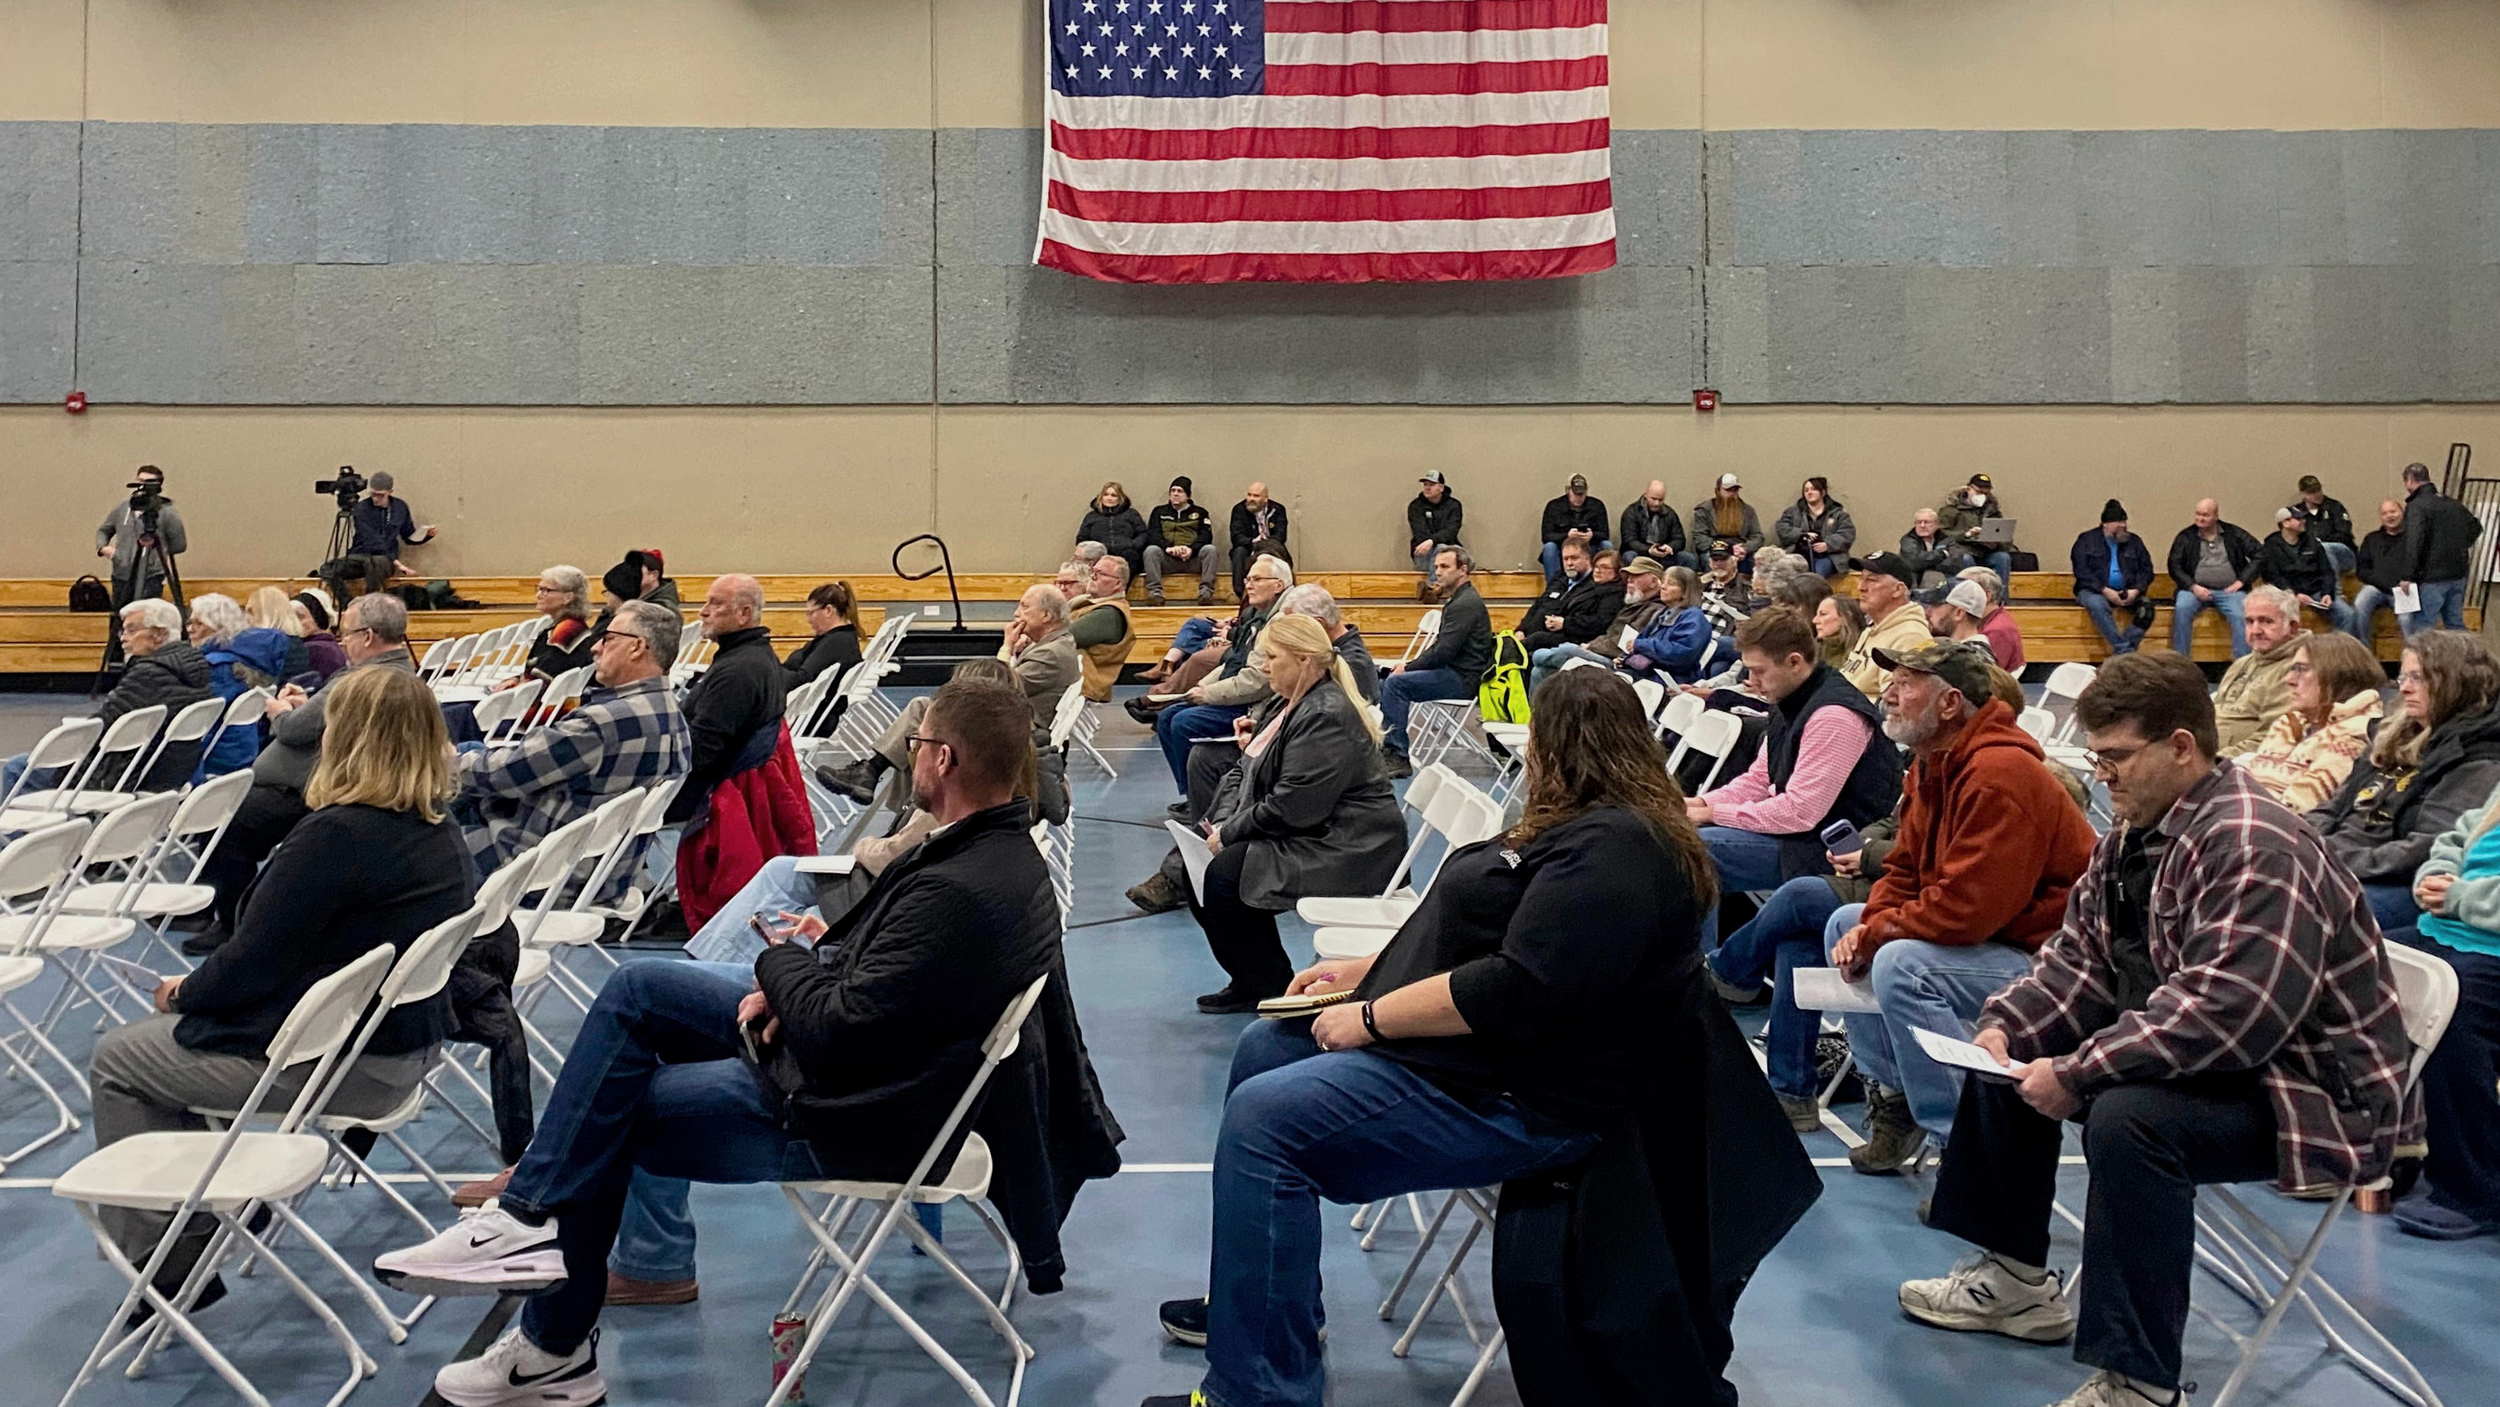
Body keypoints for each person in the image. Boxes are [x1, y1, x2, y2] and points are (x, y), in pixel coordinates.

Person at [382, 680, 1064, 1407]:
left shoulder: (959, 886)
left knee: (613, 1110)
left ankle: (553, 1343)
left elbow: (839, 1030)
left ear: (945, 758)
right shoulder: (993, 852)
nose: (911, 756)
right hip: (871, 1061)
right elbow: (881, 987)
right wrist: (811, 965)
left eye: (918, 743)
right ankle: (527, 1224)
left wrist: (781, 964)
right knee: (638, 989)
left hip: (854, 1110)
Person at [1141, 666, 1795, 1407]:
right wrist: (1369, 970)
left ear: (1557, 748)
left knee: (1268, 1121)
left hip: (1533, 1099)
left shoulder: (1617, 851)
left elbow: (1514, 985)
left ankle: (1256, 1392)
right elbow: (1485, 932)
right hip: (1495, 1060)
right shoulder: (1586, 826)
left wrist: (1372, 1014)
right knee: (1267, 1047)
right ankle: (1260, 1313)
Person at [1901, 649, 2415, 1407]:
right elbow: (2079, 961)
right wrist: (2006, 1026)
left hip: (2307, 1092)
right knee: (2010, 1059)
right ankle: (2014, 1279)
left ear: (2181, 746)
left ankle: (2139, 1382)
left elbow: (2229, 1014)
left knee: (2128, 1119)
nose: (2101, 777)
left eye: (2115, 758)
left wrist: (2078, 1071)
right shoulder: (2135, 832)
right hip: (2228, 1060)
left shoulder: (2255, 844)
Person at [92, 666, 471, 1302]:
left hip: (348, 1062)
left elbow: (248, 964)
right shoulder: (438, 825)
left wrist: (182, 993)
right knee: (166, 1047)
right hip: (405, 1046)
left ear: (342, 739)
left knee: (119, 1058)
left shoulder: (336, 835)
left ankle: (171, 1258)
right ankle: (203, 1212)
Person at [1819, 642, 2096, 1173]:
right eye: (1892, 681)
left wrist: (1877, 937)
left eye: (1905, 683)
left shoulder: (1999, 773)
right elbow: (1903, 871)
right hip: (1994, 936)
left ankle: (1966, 1148)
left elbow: (1967, 911)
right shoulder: (1933, 764)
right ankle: (1897, 1101)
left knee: (1901, 964)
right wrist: (1871, 926)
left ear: (1949, 704)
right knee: (1844, 920)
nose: (1890, 694)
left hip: (2049, 961)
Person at [1167, 615, 1406, 1011]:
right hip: (1322, 830)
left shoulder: (1325, 712)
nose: (1263, 666)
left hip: (1352, 846)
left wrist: (1229, 833)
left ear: (1305, 661)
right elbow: (1252, 767)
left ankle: (1266, 983)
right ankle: (1251, 977)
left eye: (1272, 657)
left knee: (1227, 875)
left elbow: (1294, 805)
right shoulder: (1291, 701)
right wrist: (1223, 822)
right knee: (1195, 872)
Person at [194, 594, 418, 938]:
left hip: (311, 790)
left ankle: (232, 924)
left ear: (368, 637)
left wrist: (280, 712)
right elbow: (325, 716)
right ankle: (219, 911)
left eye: (348, 633)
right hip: (325, 785)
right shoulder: (400, 672)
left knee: (222, 818)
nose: (343, 641)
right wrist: (310, 704)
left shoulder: (361, 679)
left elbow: (298, 730)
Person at [1688, 606, 1903, 951]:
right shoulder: (1789, 698)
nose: (1750, 680)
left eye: (1759, 671)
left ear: (1794, 662)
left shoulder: (1834, 715)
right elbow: (1759, 780)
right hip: (1804, 835)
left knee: (1694, 849)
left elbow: (1800, 812)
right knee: (1683, 833)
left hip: (1836, 851)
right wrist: (1699, 803)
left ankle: (1704, 975)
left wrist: (1710, 814)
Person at [455, 599, 691, 876]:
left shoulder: (602, 723)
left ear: (637, 647)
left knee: (414, 845)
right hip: (603, 870)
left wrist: (444, 762)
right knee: (470, 754)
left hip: (536, 872)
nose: (595, 646)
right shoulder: (673, 714)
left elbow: (502, 774)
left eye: (608, 639)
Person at [2312, 630, 2500, 935]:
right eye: (2403, 678)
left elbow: (2422, 847)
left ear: (2456, 683)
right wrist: (2302, 839)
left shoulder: (2478, 757)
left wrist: (2331, 858)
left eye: (2419, 679)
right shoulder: (2392, 735)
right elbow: (2334, 805)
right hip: (2339, 858)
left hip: (2391, 880)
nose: (2406, 689)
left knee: (2308, 912)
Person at [824, 584, 1078, 804]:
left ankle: (876, 778)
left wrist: (1008, 648)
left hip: (1014, 734)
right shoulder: (1050, 646)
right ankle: (879, 784)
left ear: (1046, 615)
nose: (1016, 613)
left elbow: (996, 687)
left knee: (923, 715)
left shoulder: (1052, 654)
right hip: (1011, 721)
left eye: (1024, 607)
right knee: (920, 733)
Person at [2384, 782, 2500, 1239]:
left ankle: (2474, 1189)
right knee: (2350, 968)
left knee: (2456, 1013)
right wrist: (2434, 875)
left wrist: (2460, 897)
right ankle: (2356, 1142)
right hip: (2449, 926)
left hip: (2489, 944)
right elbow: (2461, 833)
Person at [2, 599, 212, 800]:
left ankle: (19, 837)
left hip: (123, 775)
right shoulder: (194, 670)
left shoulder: (149, 674)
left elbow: (99, 730)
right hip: (170, 773)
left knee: (17, 767)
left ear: (158, 634)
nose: (123, 637)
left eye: (131, 630)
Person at [1152, 558, 1293, 795]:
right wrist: (1200, 685)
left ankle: (1203, 795)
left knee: (1182, 722)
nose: (1249, 585)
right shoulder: (1258, 616)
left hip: (1257, 705)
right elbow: (1233, 660)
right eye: (1248, 579)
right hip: (1242, 693)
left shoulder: (1278, 621)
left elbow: (1257, 682)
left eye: (1257, 579)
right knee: (1166, 717)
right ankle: (1190, 794)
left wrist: (1207, 695)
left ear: (1278, 585)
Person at [2236, 630, 2386, 814]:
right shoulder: (2290, 724)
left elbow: (2293, 811)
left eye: (2301, 669)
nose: (2289, 679)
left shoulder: (2356, 735)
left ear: (2335, 675)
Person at [1379, 546, 1491, 777]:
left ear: (1463, 570)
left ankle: (1398, 756)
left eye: (1444, 566)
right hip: (1451, 670)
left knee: (1395, 684)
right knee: (1383, 679)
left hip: (1462, 679)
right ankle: (1383, 748)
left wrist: (1408, 667)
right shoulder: (1458, 600)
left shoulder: (1465, 604)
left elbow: (1443, 652)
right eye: (1436, 566)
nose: (1437, 572)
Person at [187, 594, 289, 779]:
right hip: (246, 750)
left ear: (218, 628)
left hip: (217, 758)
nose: (190, 630)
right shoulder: (255, 660)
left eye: (198, 624)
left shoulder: (216, 667)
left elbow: (204, 724)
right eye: (190, 623)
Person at [1530, 554, 1672, 689]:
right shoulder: (1634, 605)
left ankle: (1535, 655)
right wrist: (1591, 645)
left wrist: (1591, 647)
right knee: (1540, 671)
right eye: (1629, 576)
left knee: (1565, 650)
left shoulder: (1654, 610)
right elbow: (1609, 634)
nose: (1629, 580)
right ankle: (1538, 715)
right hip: (1602, 652)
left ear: (1654, 582)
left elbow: (1622, 645)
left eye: (1636, 576)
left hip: (1617, 663)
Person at [2209, 586, 2307, 755]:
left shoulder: (2297, 670)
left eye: (2266, 621)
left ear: (2292, 627)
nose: (2256, 630)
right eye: (2249, 621)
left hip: (2235, 766)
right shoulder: (2242, 663)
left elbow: (2273, 738)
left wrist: (2213, 763)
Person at [2165, 497, 2261, 657]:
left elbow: (2260, 554)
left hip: (2230, 591)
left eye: (2205, 515)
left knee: (2240, 615)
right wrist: (2192, 586)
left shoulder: (2233, 534)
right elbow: (2174, 565)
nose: (2200, 519)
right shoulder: (2186, 537)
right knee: (2182, 608)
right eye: (2197, 514)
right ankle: (2180, 662)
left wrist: (2242, 581)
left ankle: (2242, 666)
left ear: (2216, 516)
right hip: (2193, 590)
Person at [324, 470, 438, 600]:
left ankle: (370, 600)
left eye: (380, 495)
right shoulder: (361, 508)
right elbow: (372, 540)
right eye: (372, 494)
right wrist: (398, 564)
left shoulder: (400, 507)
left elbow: (408, 536)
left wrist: (426, 535)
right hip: (360, 555)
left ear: (389, 493)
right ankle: (346, 602)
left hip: (384, 559)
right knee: (328, 569)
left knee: (375, 563)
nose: (375, 499)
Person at [2398, 461, 2484, 635]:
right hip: (2458, 573)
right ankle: (2465, 660)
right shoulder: (2453, 503)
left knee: (2424, 627)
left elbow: (2414, 541)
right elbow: (2476, 527)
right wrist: (2460, 545)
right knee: (2455, 624)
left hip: (2431, 577)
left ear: (2409, 481)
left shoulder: (2417, 506)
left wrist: (2407, 575)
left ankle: (2425, 662)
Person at [96, 464, 187, 623]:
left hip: (151, 576)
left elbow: (179, 544)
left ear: (158, 485)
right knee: (119, 618)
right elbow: (104, 530)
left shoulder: (166, 511)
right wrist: (104, 548)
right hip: (121, 574)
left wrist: (159, 553)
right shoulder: (123, 508)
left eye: (149, 482)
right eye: (140, 481)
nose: (143, 486)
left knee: (145, 619)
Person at [1840, 551, 1933, 699]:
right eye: (1862, 578)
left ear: (1898, 590)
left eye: (1871, 580)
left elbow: (1894, 704)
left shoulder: (1910, 636)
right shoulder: (1872, 629)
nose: (1861, 587)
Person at [2071, 500, 2156, 656]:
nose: (2123, 525)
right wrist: (2104, 590)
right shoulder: (2086, 540)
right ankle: (2125, 652)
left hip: (2128, 590)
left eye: (2124, 521)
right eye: (2118, 521)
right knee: (2098, 605)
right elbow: (2081, 571)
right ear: (2105, 524)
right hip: (2094, 591)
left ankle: (2122, 651)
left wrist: (2136, 590)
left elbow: (2147, 570)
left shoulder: (2135, 542)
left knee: (2147, 609)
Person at [2259, 503, 2357, 636]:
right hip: (2285, 595)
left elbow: (2327, 571)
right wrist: (2294, 594)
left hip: (2316, 592)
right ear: (2286, 523)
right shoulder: (2271, 546)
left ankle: (2342, 652)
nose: (2303, 521)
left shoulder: (2312, 542)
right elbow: (2272, 576)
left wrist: (2327, 593)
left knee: (2348, 615)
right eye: (2298, 519)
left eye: (2303, 518)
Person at [1513, 540, 1617, 653]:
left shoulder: (1597, 585)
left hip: (1566, 638)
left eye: (1574, 558)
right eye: (1565, 559)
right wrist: (1521, 629)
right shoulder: (1559, 580)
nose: (1569, 563)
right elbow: (1537, 606)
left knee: (1531, 643)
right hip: (1535, 635)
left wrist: (1564, 624)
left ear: (1588, 559)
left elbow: (1598, 622)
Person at [1067, 554, 1136, 702]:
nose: (1093, 576)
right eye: (1093, 571)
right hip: (1070, 680)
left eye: (1101, 573)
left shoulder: (1109, 613)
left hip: (1080, 685)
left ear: (1118, 584)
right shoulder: (1090, 604)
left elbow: (1064, 637)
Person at [1144, 476, 1218, 606]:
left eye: (1180, 491)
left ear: (1187, 495)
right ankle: (1155, 594)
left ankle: (1205, 593)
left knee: (1210, 550)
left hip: (1192, 559)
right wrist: (1168, 547)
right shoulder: (1159, 511)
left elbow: (1206, 536)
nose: (1175, 494)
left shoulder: (1200, 512)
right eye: (1173, 491)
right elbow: (1153, 534)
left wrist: (1191, 549)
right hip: (1167, 559)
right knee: (1151, 551)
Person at [519, 565, 596, 685]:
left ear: (567, 598)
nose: (538, 595)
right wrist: (515, 679)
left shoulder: (566, 631)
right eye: (539, 589)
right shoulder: (572, 625)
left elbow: (539, 680)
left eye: (546, 590)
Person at [2350, 498, 2410, 646]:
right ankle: (2364, 655)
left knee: (2407, 619)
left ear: (2402, 513)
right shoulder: (2372, 539)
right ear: (2381, 518)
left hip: (2404, 589)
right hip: (2376, 587)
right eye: (2385, 513)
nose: (2389, 516)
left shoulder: (2413, 539)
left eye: (2393, 511)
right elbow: (2362, 571)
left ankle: (2413, 659)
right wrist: (2382, 582)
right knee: (2359, 604)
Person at [1936, 473, 2013, 587]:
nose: (1982, 496)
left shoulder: (1993, 512)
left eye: (1986, 493)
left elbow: (2007, 540)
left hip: (1986, 553)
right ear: (1968, 489)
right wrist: (1966, 535)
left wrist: (1995, 543)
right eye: (1978, 492)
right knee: (1966, 559)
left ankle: (1999, 600)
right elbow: (1940, 535)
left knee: (2002, 557)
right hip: (1963, 552)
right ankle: (1970, 597)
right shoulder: (1951, 510)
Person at [781, 581, 860, 686]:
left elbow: (802, 679)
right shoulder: (842, 637)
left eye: (811, 613)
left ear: (828, 610)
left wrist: (770, 672)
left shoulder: (835, 642)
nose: (808, 620)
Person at [1775, 476, 1857, 577]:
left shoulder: (1839, 514)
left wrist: (1828, 544)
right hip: (1798, 553)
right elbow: (1782, 529)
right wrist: (1802, 534)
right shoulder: (1792, 512)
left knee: (1820, 571)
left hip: (1828, 556)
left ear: (1823, 492)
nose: (1809, 492)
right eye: (1806, 490)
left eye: (1813, 489)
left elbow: (1847, 534)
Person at [1537, 473, 1610, 584]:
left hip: (1589, 546)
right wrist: (1567, 536)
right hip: (1562, 547)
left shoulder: (1597, 505)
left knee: (1606, 545)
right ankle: (1554, 586)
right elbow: (1546, 536)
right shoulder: (1554, 506)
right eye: (1575, 494)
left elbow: (1605, 534)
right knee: (1549, 548)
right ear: (1567, 490)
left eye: (1582, 494)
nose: (1578, 498)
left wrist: (1591, 536)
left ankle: (1605, 584)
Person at [1406, 471, 1463, 599]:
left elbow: (1452, 530)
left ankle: (1433, 588)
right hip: (1423, 554)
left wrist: (1432, 541)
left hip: (1449, 555)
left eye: (1431, 484)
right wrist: (1431, 542)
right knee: (1440, 548)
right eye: (1425, 484)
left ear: (1441, 487)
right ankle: (1435, 587)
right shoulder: (1415, 506)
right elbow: (1420, 533)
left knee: (1442, 549)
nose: (1427, 487)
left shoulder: (1454, 506)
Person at [1956, 566, 2025, 671]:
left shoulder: (1998, 630)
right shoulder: (1990, 622)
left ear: (1987, 596)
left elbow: (1983, 676)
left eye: (1966, 591)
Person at [1227, 482, 1289, 597]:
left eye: (1256, 496)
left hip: (1270, 546)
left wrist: (1265, 543)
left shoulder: (1278, 510)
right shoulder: (1239, 509)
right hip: (1248, 546)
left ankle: (1283, 590)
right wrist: (1254, 541)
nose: (1251, 499)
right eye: (1249, 495)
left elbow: (1281, 535)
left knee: (1281, 551)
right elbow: (1236, 537)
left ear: (1265, 498)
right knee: (1239, 551)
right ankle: (1239, 594)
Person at [1079, 481, 1150, 579]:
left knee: (1132, 557)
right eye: (1106, 494)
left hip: (1126, 554)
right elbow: (1082, 538)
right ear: (1101, 497)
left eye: (1113, 495)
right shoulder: (1091, 517)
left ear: (1119, 498)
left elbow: (1142, 533)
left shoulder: (1131, 514)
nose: (1109, 498)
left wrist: (1133, 545)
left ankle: (1121, 589)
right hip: (1100, 555)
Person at [1692, 473, 1764, 566]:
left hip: (1740, 548)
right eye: (1728, 490)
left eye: (1735, 490)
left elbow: (1757, 536)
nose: (1732, 494)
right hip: (1715, 549)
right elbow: (1700, 537)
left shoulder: (1748, 511)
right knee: (1708, 559)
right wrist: (1726, 549)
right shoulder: (1704, 510)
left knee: (1758, 562)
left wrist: (1745, 548)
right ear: (1718, 490)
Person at [245, 585, 314, 681]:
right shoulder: (296, 643)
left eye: (251, 612)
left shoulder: (268, 647)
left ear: (266, 613)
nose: (246, 618)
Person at [1618, 479, 1690, 569]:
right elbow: (1629, 540)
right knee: (1629, 556)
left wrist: (1670, 547)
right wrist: (1648, 550)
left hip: (1663, 554)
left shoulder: (1670, 513)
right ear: (1646, 496)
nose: (1657, 503)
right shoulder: (1631, 512)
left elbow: (1680, 539)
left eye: (1661, 500)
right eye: (1653, 499)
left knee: (1689, 558)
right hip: (1639, 553)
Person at [2297, 473, 2358, 577]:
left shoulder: (2335, 507)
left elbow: (2344, 534)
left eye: (2318, 490)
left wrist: (2320, 541)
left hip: (2341, 552)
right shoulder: (2297, 512)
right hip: (2312, 555)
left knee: (2325, 548)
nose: (2317, 494)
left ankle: (2335, 591)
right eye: (2311, 492)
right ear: (2303, 493)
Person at [1922, 577, 1992, 652]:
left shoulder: (1968, 657)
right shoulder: (1957, 651)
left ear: (1959, 613)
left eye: (1936, 606)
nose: (1927, 612)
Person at [1898, 507, 1959, 589]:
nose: (1922, 526)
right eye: (1919, 522)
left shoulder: (1947, 539)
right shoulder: (1908, 540)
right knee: (1930, 576)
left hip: (1944, 579)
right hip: (1914, 583)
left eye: (1927, 522)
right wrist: (1942, 554)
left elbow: (1955, 563)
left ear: (1937, 525)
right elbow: (1914, 562)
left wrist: (1927, 563)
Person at [293, 591, 347, 682]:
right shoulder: (329, 645)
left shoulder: (315, 649)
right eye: (291, 617)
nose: (294, 622)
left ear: (317, 618)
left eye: (300, 616)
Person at [1815, 593, 1868, 670]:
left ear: (1845, 618)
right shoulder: (1814, 654)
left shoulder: (1861, 654)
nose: (1815, 620)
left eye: (1823, 614)